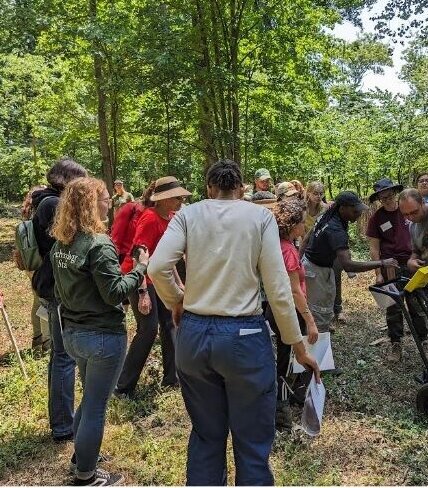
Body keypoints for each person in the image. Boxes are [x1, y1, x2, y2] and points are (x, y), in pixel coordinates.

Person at [148, 159, 320, 486]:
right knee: (252, 440)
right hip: (244, 335)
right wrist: (298, 346)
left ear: (209, 188)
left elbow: (156, 267)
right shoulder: (259, 218)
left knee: (206, 435)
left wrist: (177, 300)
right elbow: (278, 289)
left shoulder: (187, 215)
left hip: (194, 334)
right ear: (241, 189)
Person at [51, 177, 149, 486]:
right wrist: (140, 267)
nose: (110, 204)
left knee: (90, 399)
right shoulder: (99, 244)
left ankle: (80, 457)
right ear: (92, 204)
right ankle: (87, 476)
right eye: (106, 198)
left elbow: (59, 289)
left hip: (73, 334)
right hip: (103, 336)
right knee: (96, 406)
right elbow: (114, 292)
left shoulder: (61, 242)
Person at [115, 176, 191, 397]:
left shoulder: (170, 218)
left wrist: (179, 284)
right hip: (139, 278)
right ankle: (123, 386)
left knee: (170, 323)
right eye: (177, 198)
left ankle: (172, 378)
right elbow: (138, 256)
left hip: (157, 278)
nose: (180, 202)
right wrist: (142, 294)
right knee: (147, 330)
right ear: (164, 199)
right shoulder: (149, 219)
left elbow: (166, 258)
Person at [32, 157, 87, 442]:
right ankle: (64, 425)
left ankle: (61, 420)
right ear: (67, 179)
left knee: (60, 355)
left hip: (54, 284)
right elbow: (67, 242)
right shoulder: (52, 204)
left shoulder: (46, 200)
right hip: (57, 286)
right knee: (65, 357)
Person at [302, 191, 399, 333]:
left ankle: (321, 331)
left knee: (325, 306)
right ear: (343, 208)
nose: (359, 214)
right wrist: (382, 263)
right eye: (355, 211)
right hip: (315, 271)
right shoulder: (335, 229)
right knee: (318, 311)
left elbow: (306, 239)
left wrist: (299, 262)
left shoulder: (328, 215)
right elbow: (348, 265)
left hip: (319, 266)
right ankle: (317, 339)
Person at [265, 199, 319, 430]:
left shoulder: (275, 244)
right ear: (292, 224)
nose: (304, 226)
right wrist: (310, 321)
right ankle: (281, 415)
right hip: (288, 313)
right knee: (285, 362)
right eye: (302, 222)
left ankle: (285, 401)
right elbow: (295, 291)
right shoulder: (287, 250)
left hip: (273, 309)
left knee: (280, 359)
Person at [367, 179, 428, 362]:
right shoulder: (377, 218)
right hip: (390, 266)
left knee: (417, 303)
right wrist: (378, 272)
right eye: (382, 197)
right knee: (392, 305)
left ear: (394, 193)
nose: (386, 200)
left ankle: (424, 339)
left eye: (389, 195)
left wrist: (414, 259)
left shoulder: (409, 212)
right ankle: (396, 342)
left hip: (413, 264)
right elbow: (374, 248)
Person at [14, 185, 50, 352]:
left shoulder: (27, 212)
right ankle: (47, 342)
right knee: (45, 301)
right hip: (39, 261)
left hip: (29, 261)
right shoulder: (41, 211)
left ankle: (37, 337)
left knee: (37, 300)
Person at [399, 188, 428, 268]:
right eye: (405, 214)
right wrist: (411, 261)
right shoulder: (412, 225)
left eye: (414, 212)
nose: (411, 218)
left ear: (422, 203)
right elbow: (416, 251)